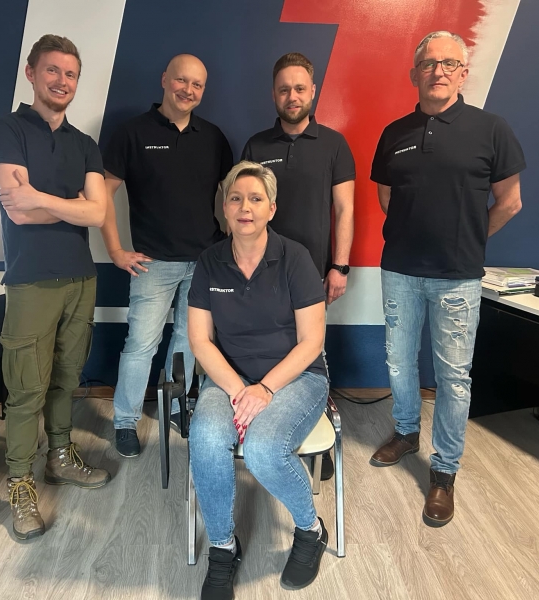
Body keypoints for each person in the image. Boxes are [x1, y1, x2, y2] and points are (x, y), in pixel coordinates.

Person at [369, 31, 525, 527]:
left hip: (457, 278)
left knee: (453, 378)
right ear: (414, 73)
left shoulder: (491, 129)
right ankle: (406, 432)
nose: (438, 71)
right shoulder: (394, 132)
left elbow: (510, 202)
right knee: (399, 363)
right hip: (399, 271)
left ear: (463, 73)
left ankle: (443, 470)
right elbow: (387, 197)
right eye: (429, 63)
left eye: (449, 63)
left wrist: (469, 240)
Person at [0, 34, 112, 540]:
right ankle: (20, 483)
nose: (62, 81)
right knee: (26, 391)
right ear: (32, 73)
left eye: (71, 74)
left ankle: (60, 456)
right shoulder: (7, 129)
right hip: (31, 281)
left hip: (81, 278)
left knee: (66, 379)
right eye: (53, 71)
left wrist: (42, 197)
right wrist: (72, 205)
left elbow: (99, 213)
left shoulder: (85, 144)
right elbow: (18, 210)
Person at [188, 161, 329, 599]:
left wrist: (265, 389)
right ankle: (222, 548)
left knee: (265, 449)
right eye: (235, 198)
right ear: (224, 208)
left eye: (255, 199)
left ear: (271, 208)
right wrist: (240, 390)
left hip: (296, 377)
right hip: (230, 378)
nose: (244, 207)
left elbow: (312, 342)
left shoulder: (295, 258)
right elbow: (200, 341)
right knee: (206, 437)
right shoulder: (209, 262)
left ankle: (310, 530)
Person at [100, 54, 233, 457]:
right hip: (152, 263)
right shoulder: (132, 133)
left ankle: (175, 407)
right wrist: (115, 250)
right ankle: (125, 420)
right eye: (181, 80)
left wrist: (229, 245)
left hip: (204, 261)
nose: (188, 90)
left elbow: (230, 195)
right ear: (164, 80)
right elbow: (101, 195)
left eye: (197, 85)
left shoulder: (213, 137)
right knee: (141, 343)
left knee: (190, 341)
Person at [242, 52, 355, 481]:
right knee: (268, 352)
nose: (293, 96)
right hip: (260, 274)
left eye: (300, 88)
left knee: (312, 357)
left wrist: (339, 267)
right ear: (274, 94)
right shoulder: (256, 146)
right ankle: (265, 430)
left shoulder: (334, 145)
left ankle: (316, 436)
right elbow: (243, 207)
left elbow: (344, 210)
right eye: (284, 89)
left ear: (313, 91)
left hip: (312, 276)